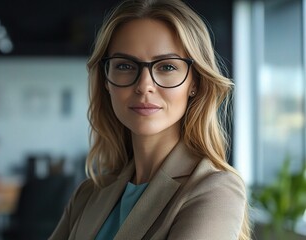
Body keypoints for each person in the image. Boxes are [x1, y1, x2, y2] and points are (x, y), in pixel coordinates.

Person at [50, 0, 251, 239]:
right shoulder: (88, 194)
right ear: (106, 81)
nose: (144, 86)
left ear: (194, 82)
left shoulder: (213, 189)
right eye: (125, 65)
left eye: (166, 67)